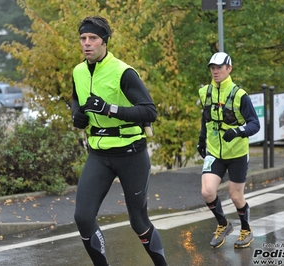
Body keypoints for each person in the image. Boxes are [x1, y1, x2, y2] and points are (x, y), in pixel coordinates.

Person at [71, 16, 167, 266]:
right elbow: (76, 104)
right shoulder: (78, 71)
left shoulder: (123, 72)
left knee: (138, 221)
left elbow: (149, 112)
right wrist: (78, 116)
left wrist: (109, 109)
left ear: (105, 43)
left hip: (131, 153)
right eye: (83, 38)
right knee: (83, 217)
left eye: (93, 38)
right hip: (99, 155)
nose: (87, 43)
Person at [197, 52, 260, 249]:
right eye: (212, 68)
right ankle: (223, 224)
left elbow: (254, 124)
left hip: (237, 154)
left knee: (235, 195)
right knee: (207, 192)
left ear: (229, 68)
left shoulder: (240, 95)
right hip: (214, 151)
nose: (215, 71)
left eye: (219, 67)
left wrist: (238, 131)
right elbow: (206, 118)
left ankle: (246, 229)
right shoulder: (205, 91)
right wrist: (201, 139)